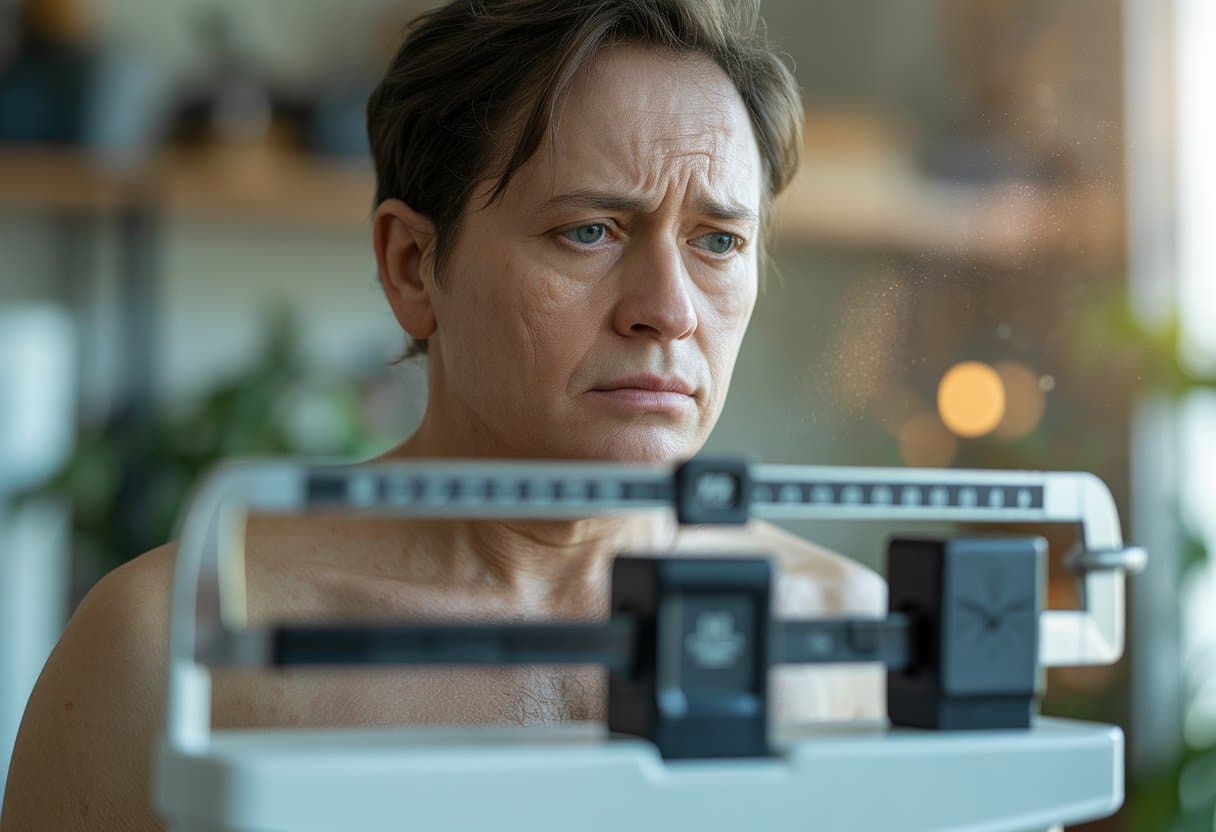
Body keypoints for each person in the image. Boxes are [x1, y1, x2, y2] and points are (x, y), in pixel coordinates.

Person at [0, 1, 884, 829]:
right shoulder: (172, 650)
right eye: (590, 231)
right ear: (415, 266)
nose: (670, 308)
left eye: (718, 242)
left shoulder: (850, 640)